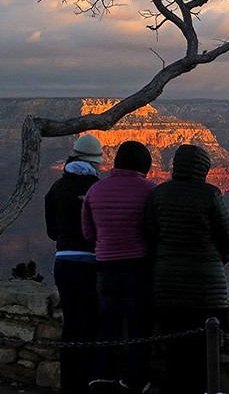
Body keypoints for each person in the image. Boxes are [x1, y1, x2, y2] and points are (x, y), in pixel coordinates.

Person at [145, 144, 229, 394]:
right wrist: (218, 259)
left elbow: (151, 234)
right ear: (203, 168)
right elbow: (225, 234)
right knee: (206, 351)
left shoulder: (159, 194)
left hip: (167, 286)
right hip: (207, 288)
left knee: (173, 351)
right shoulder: (210, 195)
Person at [81, 141, 156, 394]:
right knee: (138, 326)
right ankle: (132, 381)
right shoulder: (150, 190)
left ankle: (101, 377)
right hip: (137, 267)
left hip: (104, 267)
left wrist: (106, 244)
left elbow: (88, 233)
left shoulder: (95, 190)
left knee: (107, 325)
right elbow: (154, 230)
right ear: (143, 165)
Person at [44, 133, 103, 394]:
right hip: (92, 262)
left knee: (71, 322)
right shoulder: (96, 189)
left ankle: (69, 383)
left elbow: (52, 231)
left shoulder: (56, 188)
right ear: (95, 162)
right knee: (91, 322)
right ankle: (89, 380)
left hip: (63, 262)